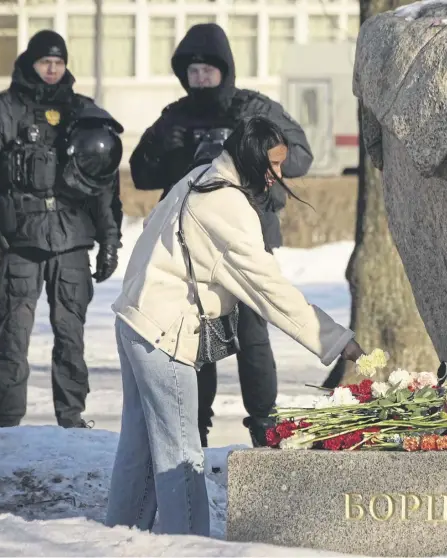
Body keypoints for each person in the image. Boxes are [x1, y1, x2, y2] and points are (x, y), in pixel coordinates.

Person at [106, 116, 364, 536]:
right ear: (249, 157)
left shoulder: (201, 175)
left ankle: (116, 536)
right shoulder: (226, 207)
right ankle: (189, 544)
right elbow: (272, 292)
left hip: (136, 321)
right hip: (163, 335)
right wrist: (339, 341)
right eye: (273, 165)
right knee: (180, 453)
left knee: (139, 447)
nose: (278, 175)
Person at [130, 22, 314, 448]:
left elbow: (301, 156)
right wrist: (163, 149)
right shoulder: (175, 116)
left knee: (252, 336)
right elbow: (141, 174)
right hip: (190, 248)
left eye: (208, 71)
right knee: (195, 339)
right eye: (192, 72)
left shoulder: (254, 108)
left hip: (246, 238)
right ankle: (195, 430)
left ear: (224, 70)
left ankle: (265, 428)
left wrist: (254, 150)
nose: (200, 79)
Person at [0, 30, 124, 429]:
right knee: (13, 332)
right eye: (45, 61)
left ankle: (72, 418)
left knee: (71, 334)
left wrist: (110, 240)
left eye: (59, 62)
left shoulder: (83, 111)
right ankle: (8, 423)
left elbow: (103, 183)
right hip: (20, 241)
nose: (52, 68)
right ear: (30, 63)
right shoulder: (3, 110)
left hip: (72, 239)